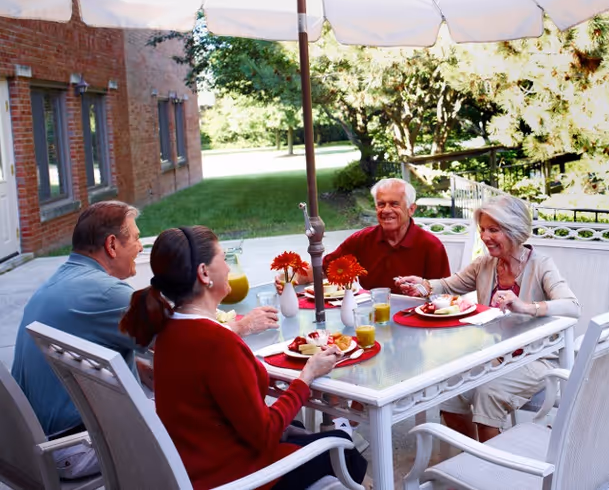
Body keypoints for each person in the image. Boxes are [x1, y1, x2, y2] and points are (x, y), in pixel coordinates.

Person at [11, 201, 279, 480]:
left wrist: (134, 372)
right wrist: (243, 325)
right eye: (137, 238)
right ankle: (247, 475)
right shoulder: (106, 293)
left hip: (41, 442)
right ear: (112, 245)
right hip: (75, 446)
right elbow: (190, 344)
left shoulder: (63, 280)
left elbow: (87, 350)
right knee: (209, 423)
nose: (140, 248)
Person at [119, 226, 366, 490]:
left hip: (196, 467)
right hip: (239, 478)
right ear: (204, 273)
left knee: (297, 427)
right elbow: (265, 435)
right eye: (223, 259)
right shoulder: (217, 343)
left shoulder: (168, 331)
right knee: (346, 450)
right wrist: (307, 376)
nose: (227, 268)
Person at [396, 195, 580, 442]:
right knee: (449, 387)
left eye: (494, 230)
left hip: (536, 357)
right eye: (483, 229)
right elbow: (450, 285)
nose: (484, 237)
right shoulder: (485, 263)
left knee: (487, 392)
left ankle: (490, 470)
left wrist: (526, 307)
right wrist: (424, 285)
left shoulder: (541, 265)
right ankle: (467, 458)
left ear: (515, 230)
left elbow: (572, 307)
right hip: (492, 354)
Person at [280, 178, 451, 293]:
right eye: (381, 204)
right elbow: (323, 270)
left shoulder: (431, 246)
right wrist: (289, 278)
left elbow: (443, 294)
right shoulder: (362, 240)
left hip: (416, 323)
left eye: (394, 204)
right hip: (370, 319)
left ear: (411, 209)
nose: (386, 210)